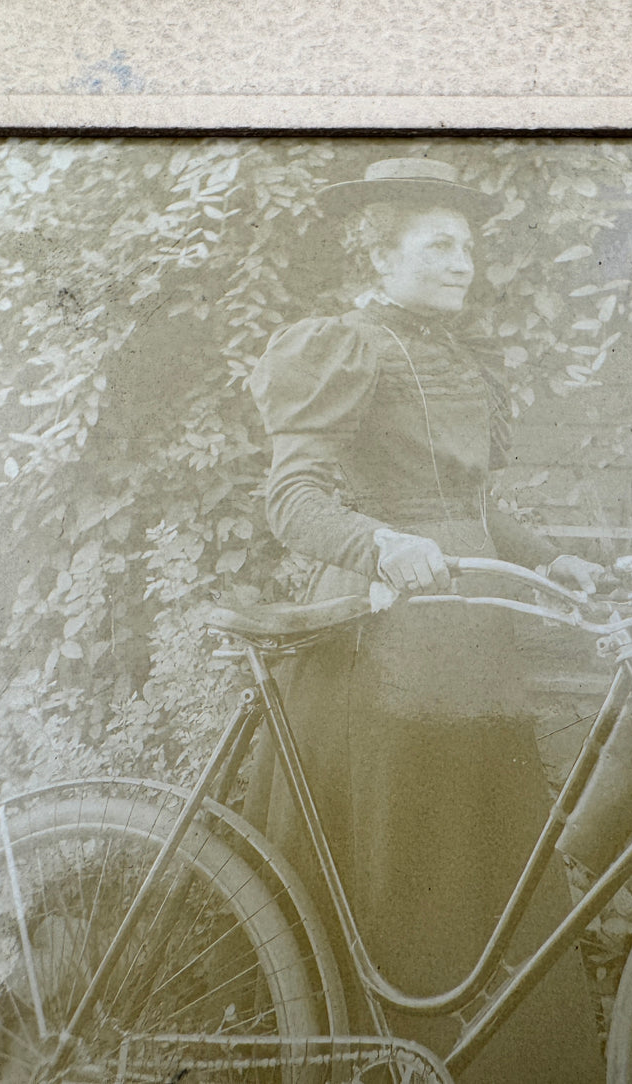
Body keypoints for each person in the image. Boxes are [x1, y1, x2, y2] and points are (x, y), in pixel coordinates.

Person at [246, 157, 607, 1082]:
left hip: (471, 653)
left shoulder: (450, 357)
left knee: (488, 879)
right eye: (439, 245)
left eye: (469, 248)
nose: (462, 264)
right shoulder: (346, 347)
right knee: (409, 885)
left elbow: (466, 504)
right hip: (385, 659)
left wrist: (545, 556)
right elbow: (292, 498)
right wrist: (381, 545)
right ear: (382, 253)